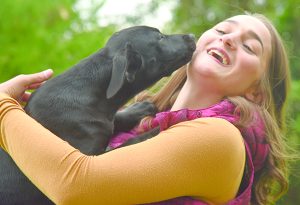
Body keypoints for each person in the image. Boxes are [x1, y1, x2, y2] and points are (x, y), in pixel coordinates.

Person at [0, 13, 292, 205]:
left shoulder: (221, 139)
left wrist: (4, 108)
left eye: (250, 47)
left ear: (258, 91)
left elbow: (75, 186)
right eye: (222, 29)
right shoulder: (136, 122)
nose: (228, 39)